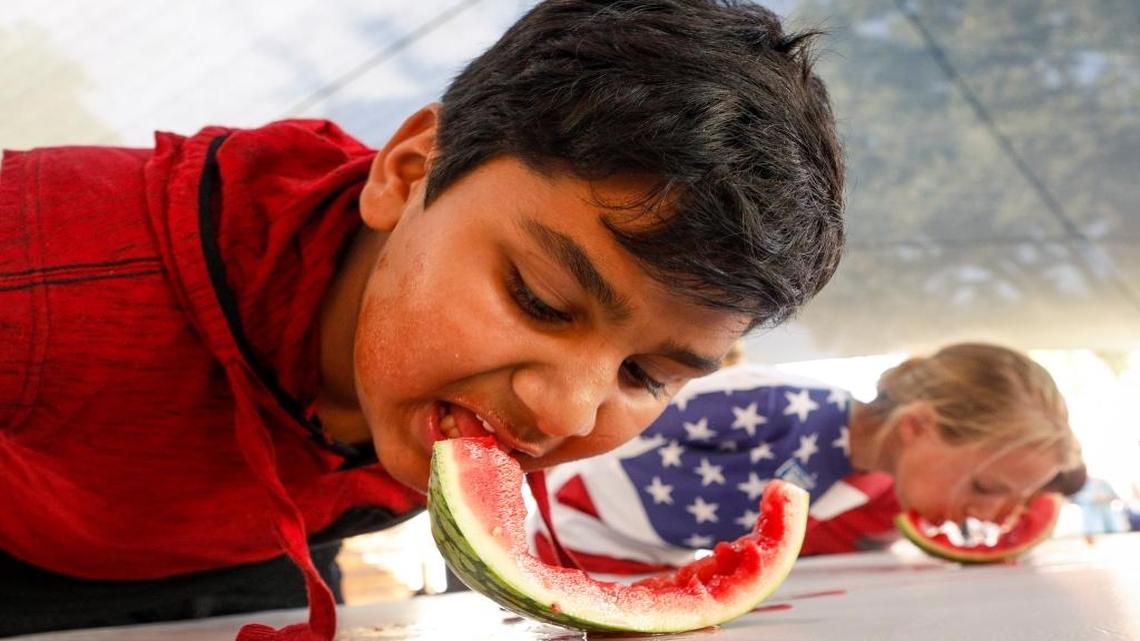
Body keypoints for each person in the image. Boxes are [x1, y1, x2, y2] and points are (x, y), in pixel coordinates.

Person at [0, 1, 845, 639]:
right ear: (407, 173)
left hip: (253, 557)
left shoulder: (440, 382)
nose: (566, 416)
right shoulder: (40, 264)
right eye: (541, 300)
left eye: (645, 375)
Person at [528, 343, 1084, 574]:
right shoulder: (779, 404)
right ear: (917, 427)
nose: (989, 514)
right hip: (569, 535)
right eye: (986, 488)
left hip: (649, 568)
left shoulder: (867, 486)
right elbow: (609, 427)